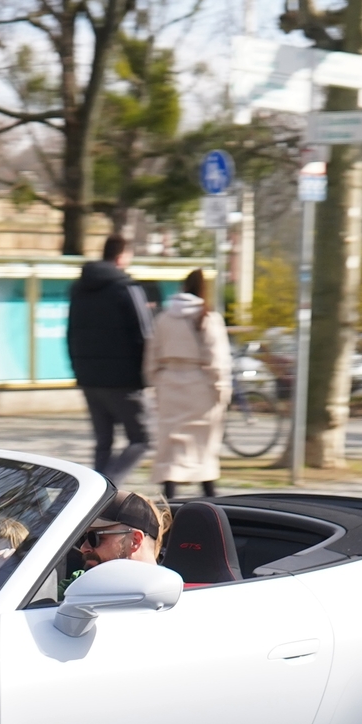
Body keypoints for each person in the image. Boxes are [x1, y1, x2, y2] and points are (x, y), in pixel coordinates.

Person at [65, 233, 157, 483]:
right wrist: (145, 375)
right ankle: (105, 489)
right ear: (122, 256)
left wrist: (79, 370)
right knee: (143, 439)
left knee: (103, 441)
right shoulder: (128, 288)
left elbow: (71, 331)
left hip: (89, 378)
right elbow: (145, 333)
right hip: (124, 380)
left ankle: (92, 499)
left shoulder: (79, 289)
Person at [147, 268, 231, 500]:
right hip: (200, 385)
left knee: (171, 442)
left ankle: (169, 496)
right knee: (202, 443)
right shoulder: (208, 318)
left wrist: (156, 381)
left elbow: (152, 354)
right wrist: (221, 388)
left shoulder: (164, 317)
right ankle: (210, 495)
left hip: (169, 382)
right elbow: (218, 358)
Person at [71, 490, 170, 575]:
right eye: (83, 538)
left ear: (135, 540)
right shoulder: (74, 587)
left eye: (94, 538)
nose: (83, 548)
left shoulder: (174, 593)